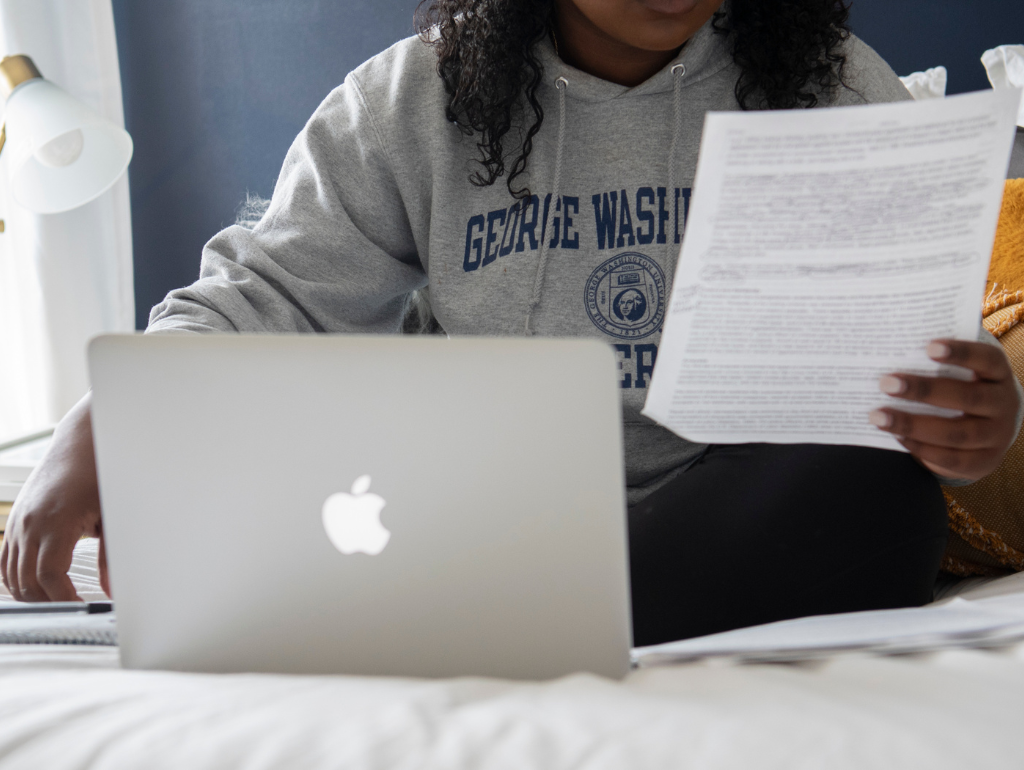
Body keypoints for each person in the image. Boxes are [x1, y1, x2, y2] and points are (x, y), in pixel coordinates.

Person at [2, 0, 1020, 645]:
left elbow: (918, 367)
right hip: (491, 500)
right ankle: (535, 594)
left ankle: (491, 605)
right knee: (287, 449)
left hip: (743, 501)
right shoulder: (410, 101)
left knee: (878, 495)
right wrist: (100, 418)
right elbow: (262, 299)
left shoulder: (833, 85)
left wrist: (976, 421)